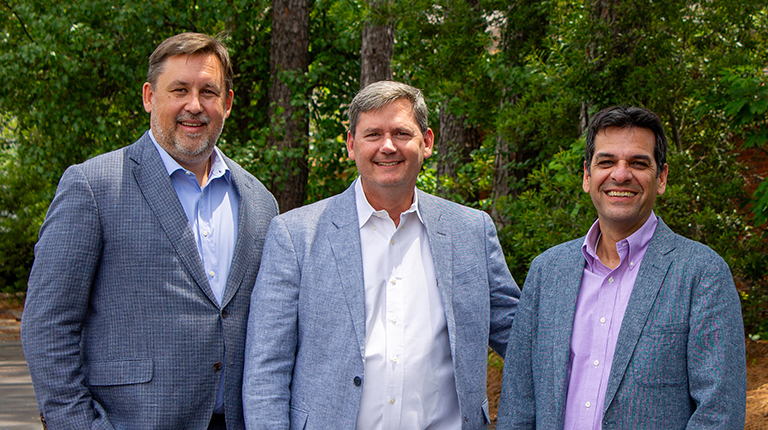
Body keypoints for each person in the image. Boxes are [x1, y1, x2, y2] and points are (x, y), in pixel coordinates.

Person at [21, 32, 278, 429]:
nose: (194, 105)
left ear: (227, 103)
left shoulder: (260, 202)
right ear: (149, 97)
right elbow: (47, 324)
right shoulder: (93, 186)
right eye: (179, 90)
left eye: (208, 91)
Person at [241, 80, 520, 430]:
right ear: (351, 144)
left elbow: (521, 336)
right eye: (373, 134)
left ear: (427, 141)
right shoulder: (296, 236)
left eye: (401, 133)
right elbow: (266, 370)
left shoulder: (471, 231)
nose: (387, 147)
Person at [496, 106, 747, 429]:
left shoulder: (702, 274)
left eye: (638, 163)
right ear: (588, 176)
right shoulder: (547, 272)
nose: (621, 174)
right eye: (607, 161)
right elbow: (518, 402)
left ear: (662, 178)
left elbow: (719, 413)